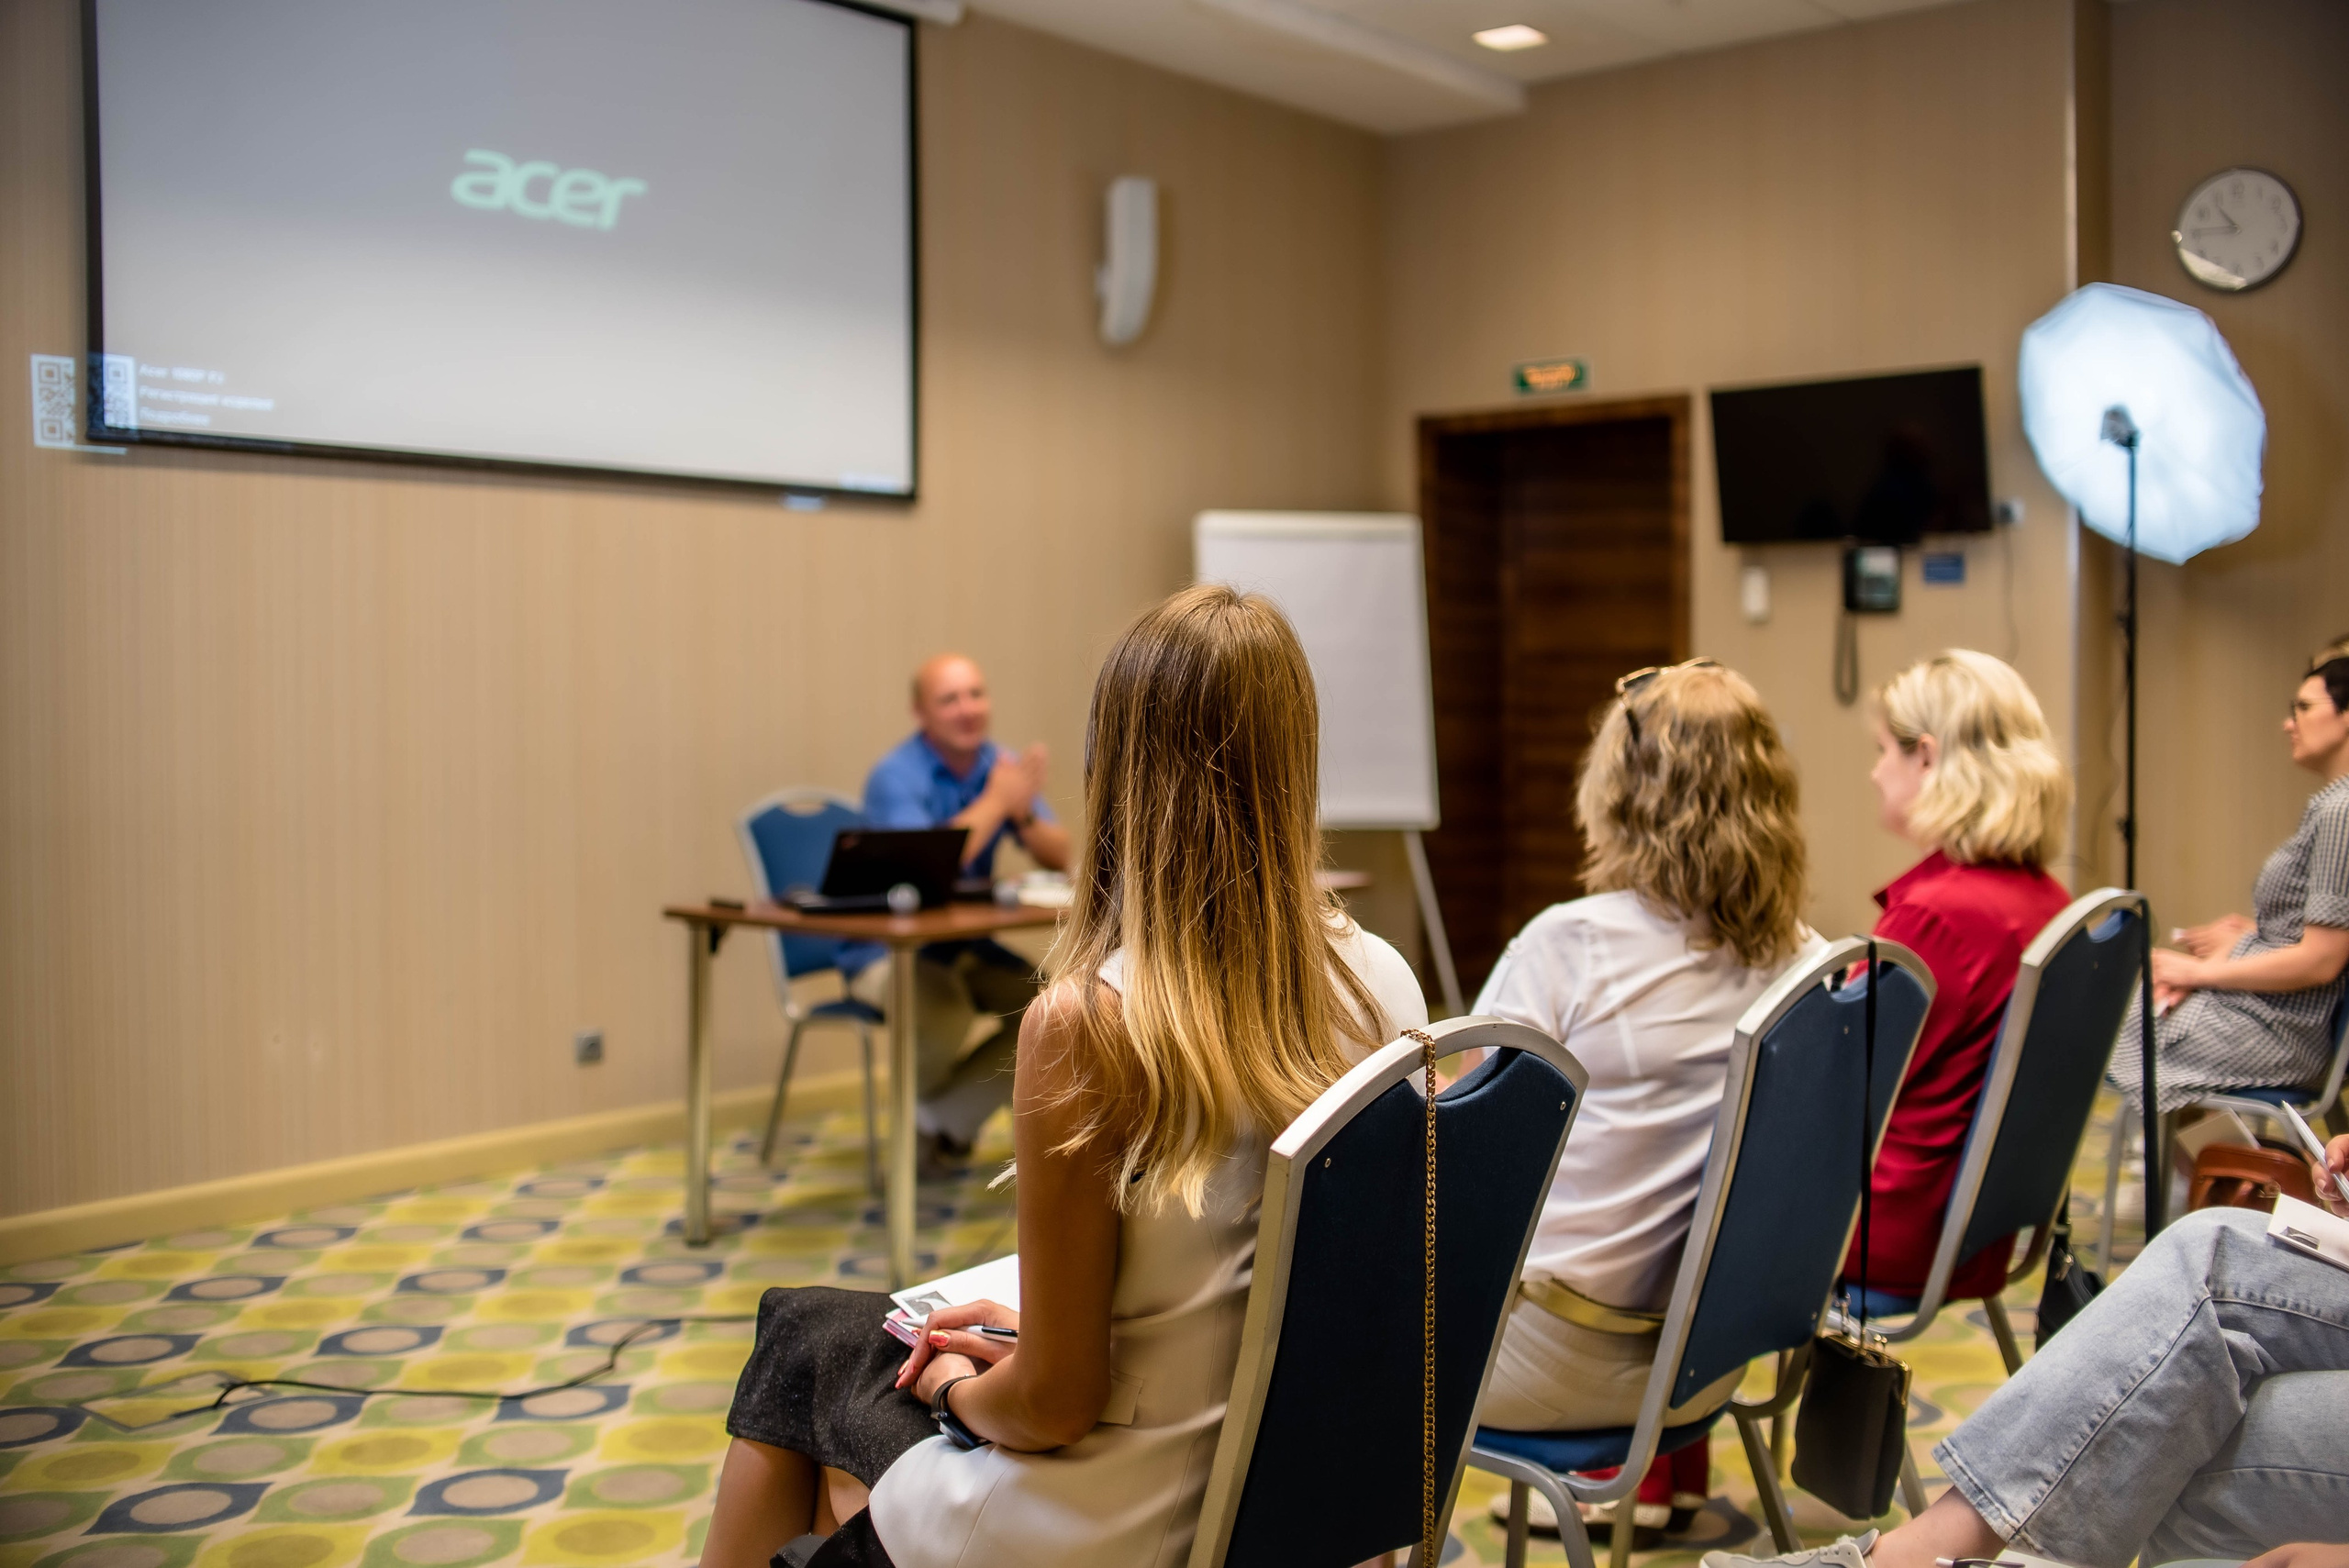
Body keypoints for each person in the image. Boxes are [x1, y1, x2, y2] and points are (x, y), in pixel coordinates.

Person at [701, 585, 1428, 1568]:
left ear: (1119, 763)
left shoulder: (1094, 1024)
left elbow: (1050, 1405)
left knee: (805, 1338)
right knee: (820, 1333)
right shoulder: (1388, 983)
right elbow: (1245, 1277)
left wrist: (957, 1379)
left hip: (1117, 1519)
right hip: (1289, 1487)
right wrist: (1040, 1334)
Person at [1473, 659, 1824, 1542]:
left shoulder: (1568, 949)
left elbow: (1453, 1133)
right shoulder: (1808, 967)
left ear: (1619, 790)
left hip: (1553, 1360)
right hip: (1707, 1358)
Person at [1702, 1130, 2349, 1568]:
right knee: (2205, 1286)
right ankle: (1924, 1555)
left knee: (2186, 1412)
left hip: (1901, 1211)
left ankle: (1908, 1557)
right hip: (1946, 1209)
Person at [1851, 651, 2072, 1303]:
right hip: (1980, 1229)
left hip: (1884, 1227)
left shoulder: (1939, 916)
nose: (1873, 771)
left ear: (1927, 756)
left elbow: (1841, 1085)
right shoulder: (2044, 898)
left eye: (1883, 749)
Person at [2109, 638, 2349, 1116]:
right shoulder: (2334, 804)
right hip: (2273, 1016)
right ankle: (2197, 1178)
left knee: (2103, 1016)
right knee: (2137, 999)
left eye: (2302, 707)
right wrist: (2246, 940)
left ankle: (2193, 1180)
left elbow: (2322, 960)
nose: (2288, 723)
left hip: (2280, 1030)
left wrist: (2201, 973)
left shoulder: (2342, 809)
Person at [852, 654, 1074, 1163]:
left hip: (964, 946)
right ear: (920, 713)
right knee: (945, 1013)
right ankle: (927, 1128)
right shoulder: (894, 776)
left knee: (1053, 1015)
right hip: (887, 951)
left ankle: (937, 1119)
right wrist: (999, 801)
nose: (967, 709)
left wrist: (1021, 811)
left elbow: (1060, 855)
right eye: (949, 699)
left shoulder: (999, 767)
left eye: (976, 694)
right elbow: (924, 870)